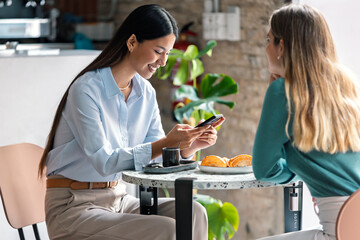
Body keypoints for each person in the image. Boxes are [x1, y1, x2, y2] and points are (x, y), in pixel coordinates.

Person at [38, 4, 224, 240]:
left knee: (194, 212)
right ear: (132, 42)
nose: (163, 62)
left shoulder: (145, 92)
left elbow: (153, 156)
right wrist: (167, 141)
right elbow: (104, 162)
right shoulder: (86, 90)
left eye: (167, 53)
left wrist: (188, 146)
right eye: (158, 51)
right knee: (166, 229)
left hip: (120, 199)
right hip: (74, 208)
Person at [252, 3, 360, 240]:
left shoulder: (282, 91)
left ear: (282, 46)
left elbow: (264, 170)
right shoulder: (347, 84)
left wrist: (297, 172)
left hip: (337, 231)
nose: (267, 49)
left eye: (268, 41)